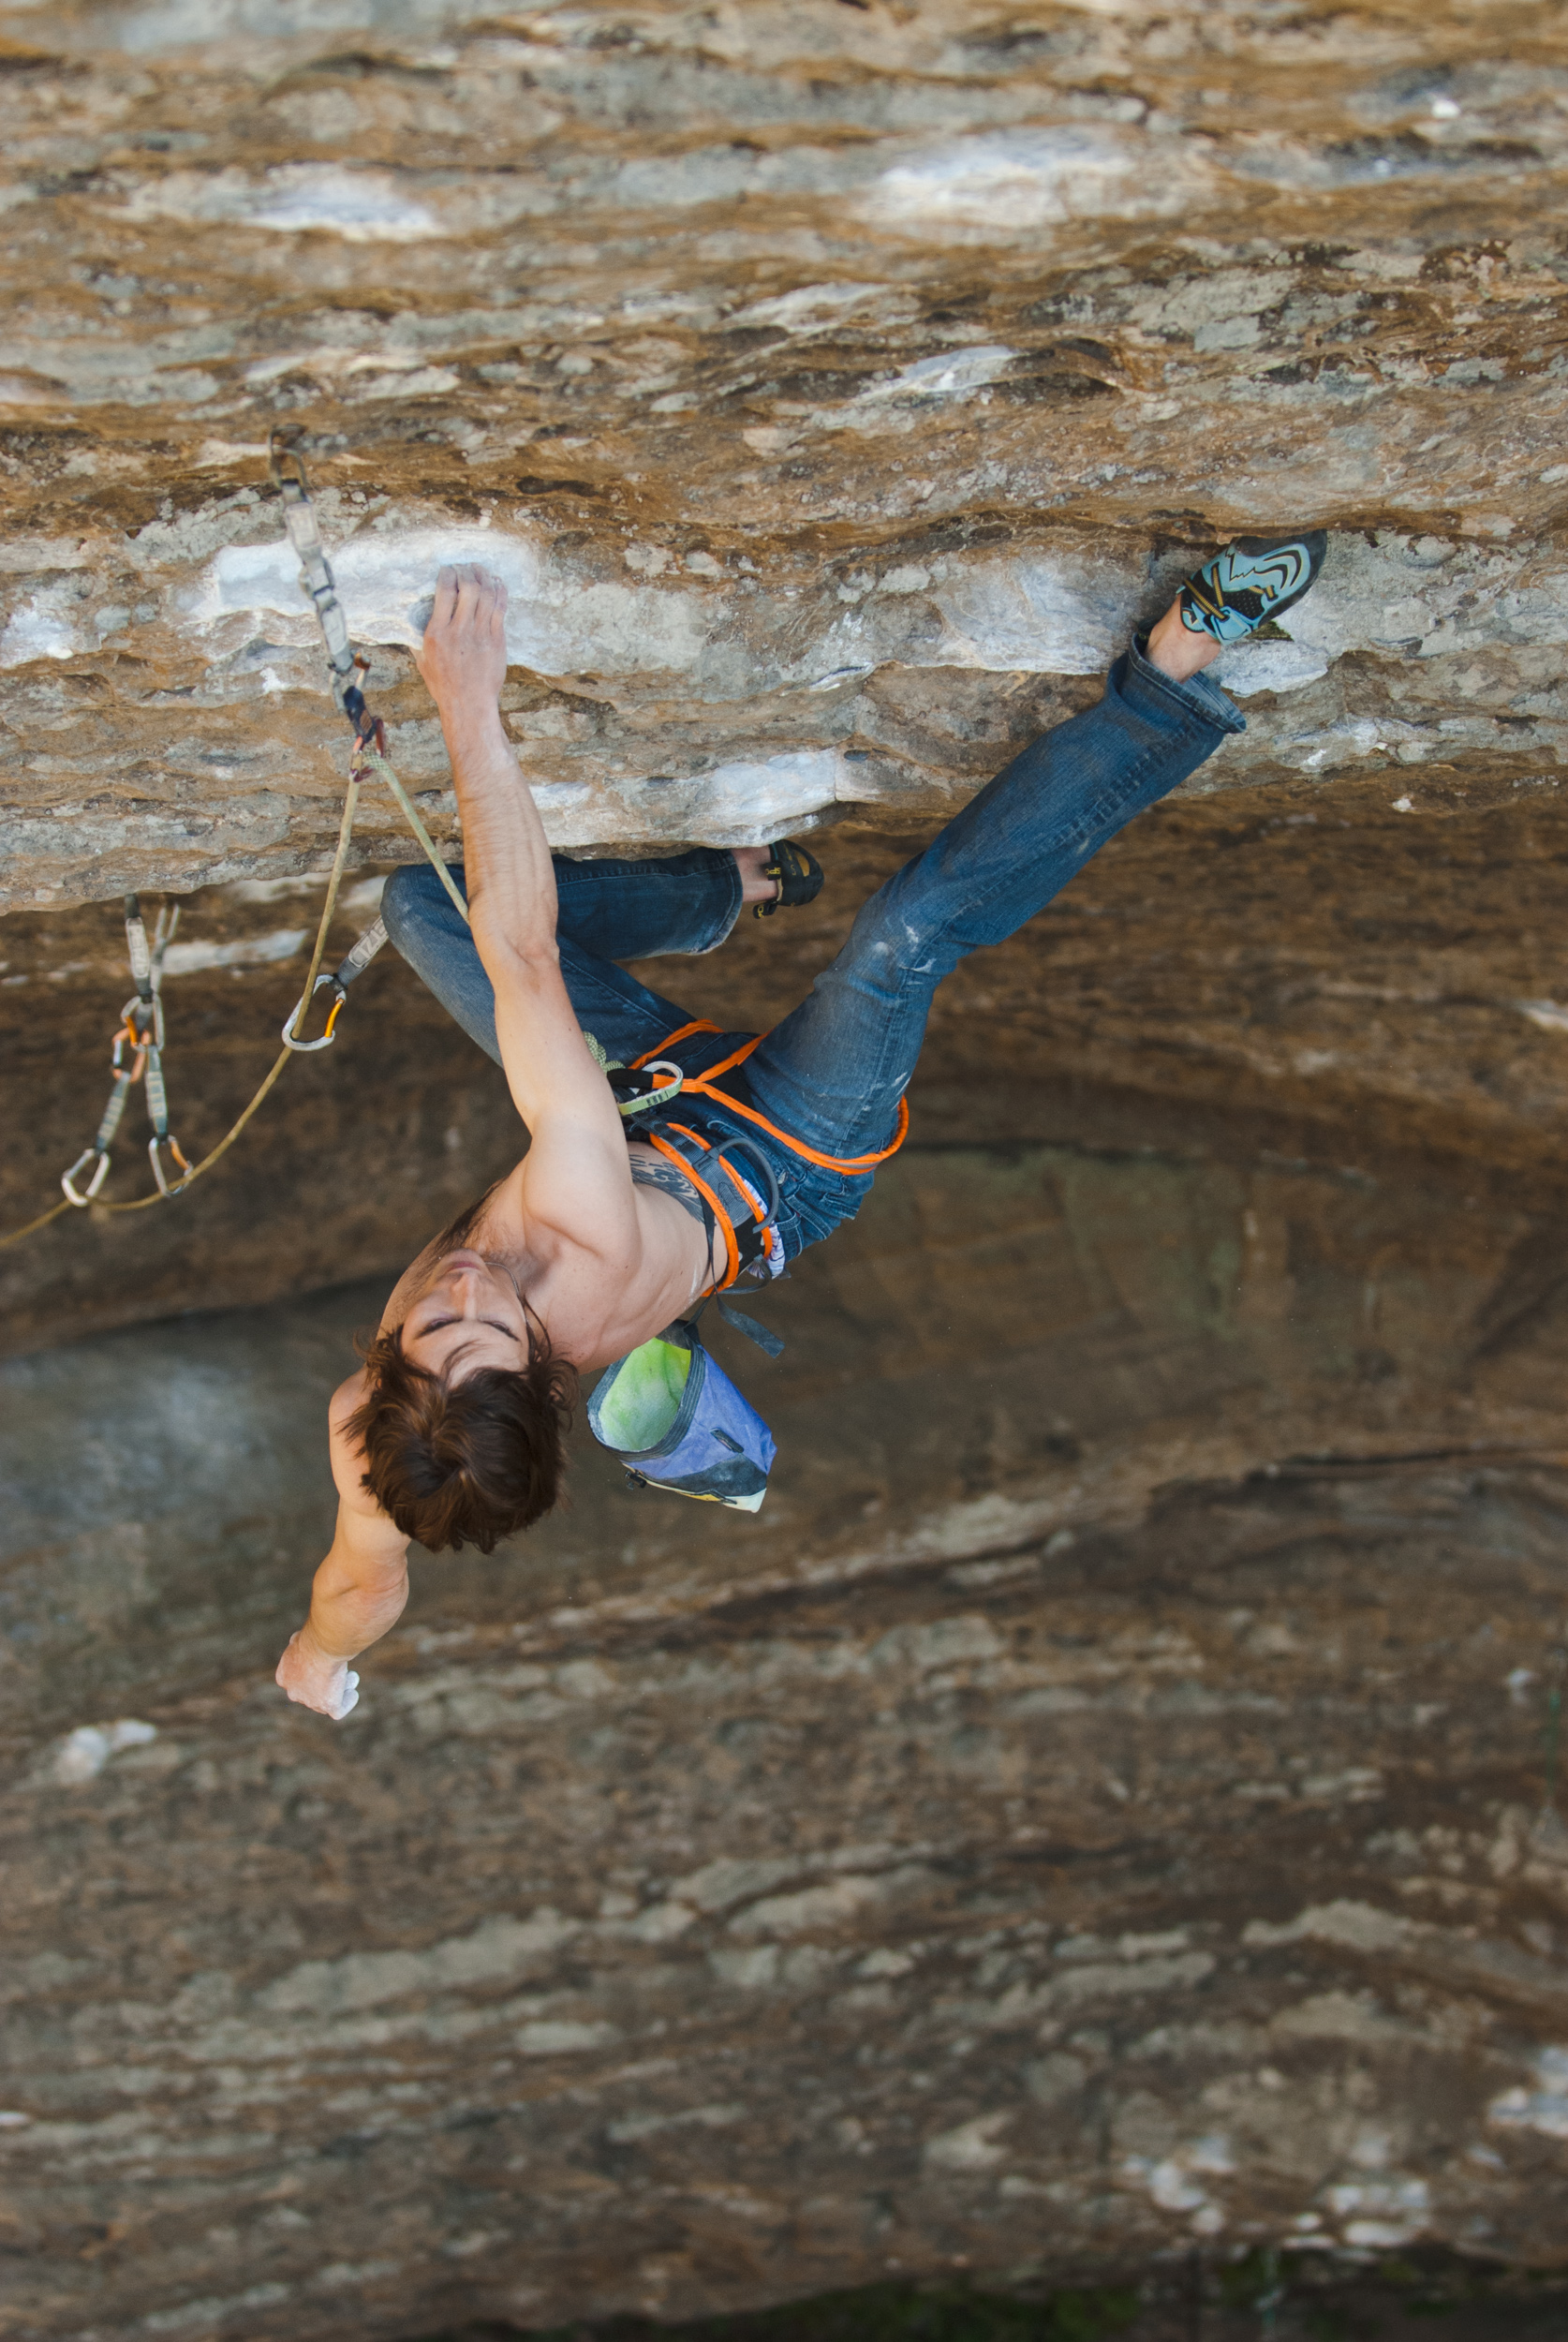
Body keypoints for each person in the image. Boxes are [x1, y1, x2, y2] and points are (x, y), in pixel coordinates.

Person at [275, 533, 1326, 1720]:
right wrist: (469, 701)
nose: (459, 1286)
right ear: (545, 1378)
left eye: (426, 1330)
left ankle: (728, 888)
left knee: (422, 902)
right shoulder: (577, 1243)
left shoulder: (377, 1436)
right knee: (903, 937)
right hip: (782, 1160)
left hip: (648, 1099)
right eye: (487, 1330)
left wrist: (319, 1657)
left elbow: (362, 1578)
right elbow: (524, 958)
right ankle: (1174, 680)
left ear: (385, 1381)